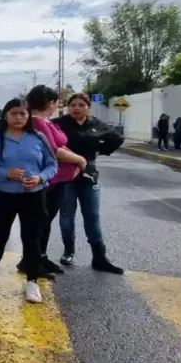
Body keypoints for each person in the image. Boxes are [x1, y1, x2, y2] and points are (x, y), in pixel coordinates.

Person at [0, 98, 57, 302]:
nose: (18, 117)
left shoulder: (39, 138)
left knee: (32, 238)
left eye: (23, 114)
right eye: (14, 113)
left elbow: (52, 165)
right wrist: (5, 173)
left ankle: (32, 282)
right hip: (3, 195)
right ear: (6, 116)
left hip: (34, 196)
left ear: (28, 117)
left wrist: (40, 177)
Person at [20, 85, 87, 278]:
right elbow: (52, 150)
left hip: (57, 180)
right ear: (50, 103)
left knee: (45, 221)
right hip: (48, 180)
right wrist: (80, 161)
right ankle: (31, 261)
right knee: (40, 221)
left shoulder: (44, 122)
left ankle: (40, 257)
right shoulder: (37, 123)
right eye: (57, 102)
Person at [53, 93, 125, 273]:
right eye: (73, 105)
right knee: (67, 215)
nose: (76, 108)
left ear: (88, 107)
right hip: (66, 172)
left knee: (92, 215)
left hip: (89, 172)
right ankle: (68, 251)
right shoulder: (59, 124)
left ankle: (99, 257)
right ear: (68, 108)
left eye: (81, 105)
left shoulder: (96, 124)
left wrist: (100, 151)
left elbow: (117, 138)